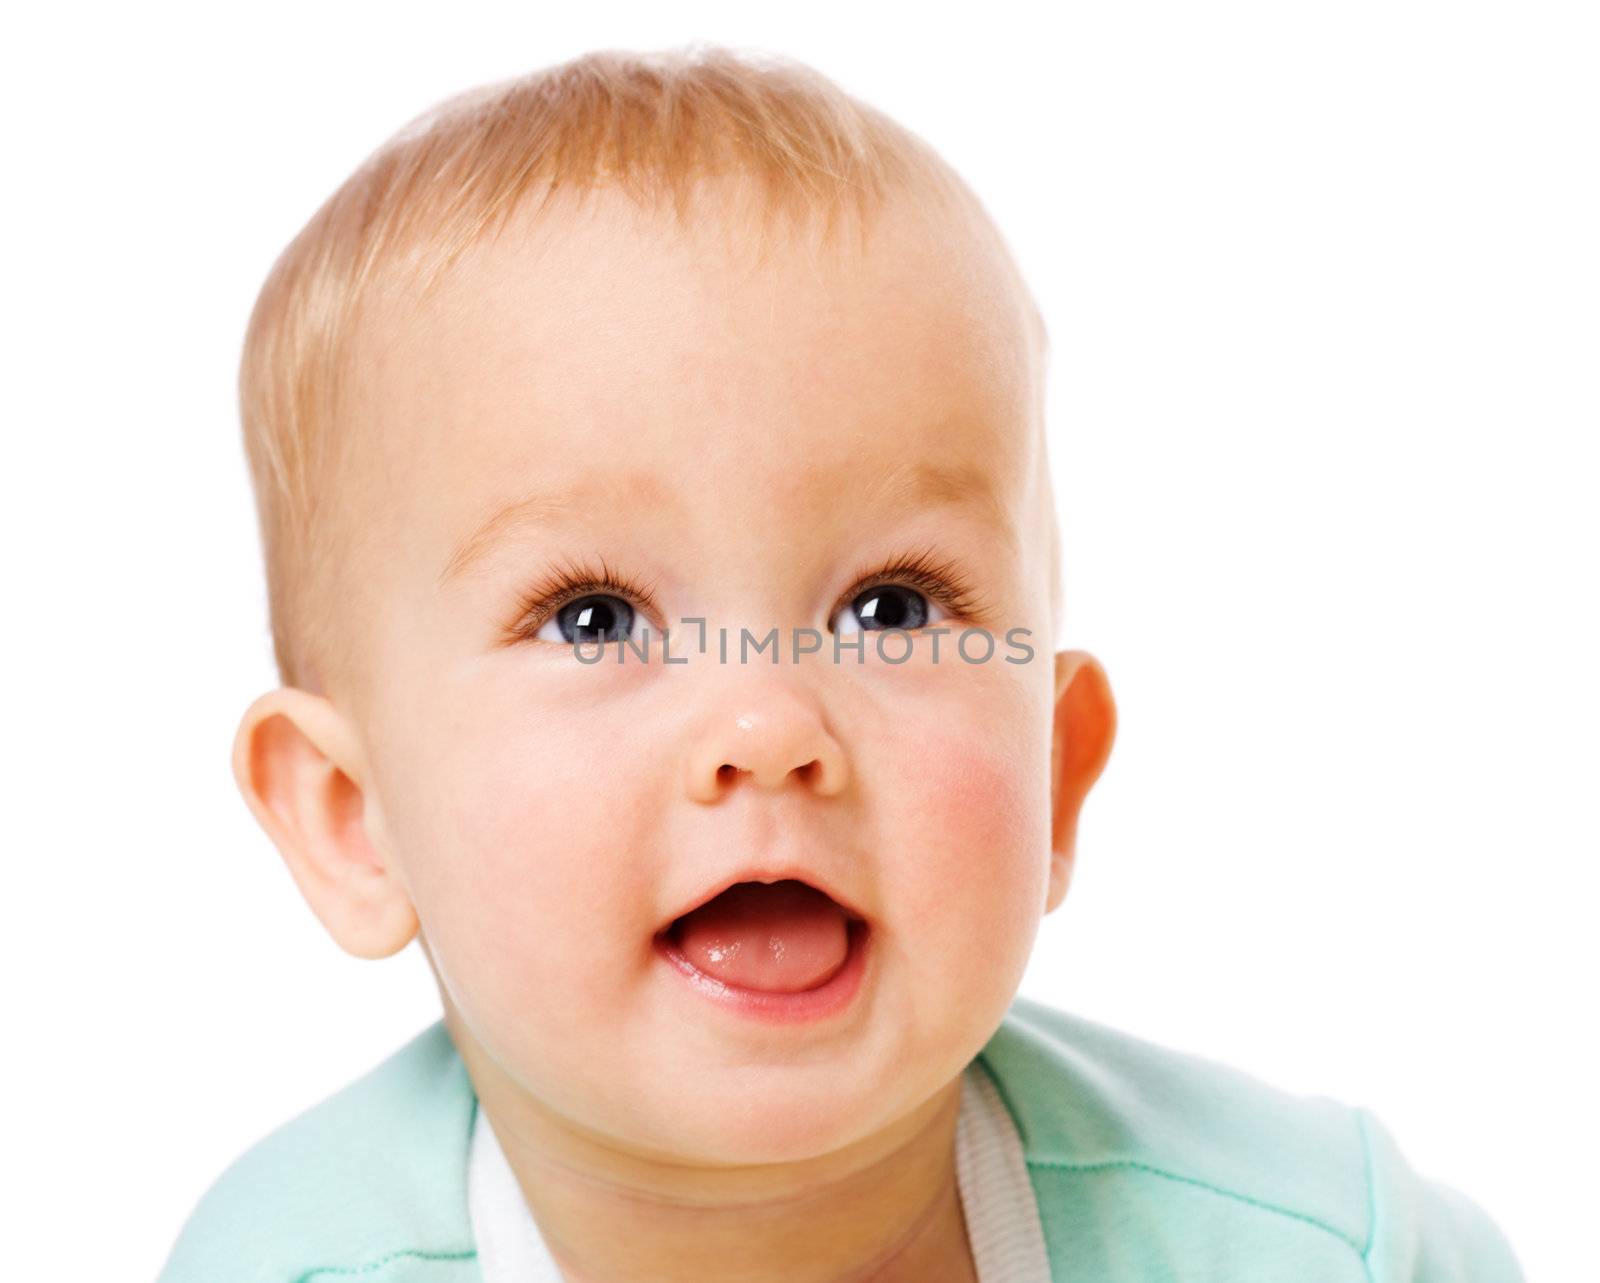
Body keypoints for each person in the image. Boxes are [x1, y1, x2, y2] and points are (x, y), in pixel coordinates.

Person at [157, 44, 1524, 1283]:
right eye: (594, 618)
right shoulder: (287, 1269)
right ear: (354, 820)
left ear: (1058, 776)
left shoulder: (1309, 1247)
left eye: (891, 607)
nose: (765, 722)